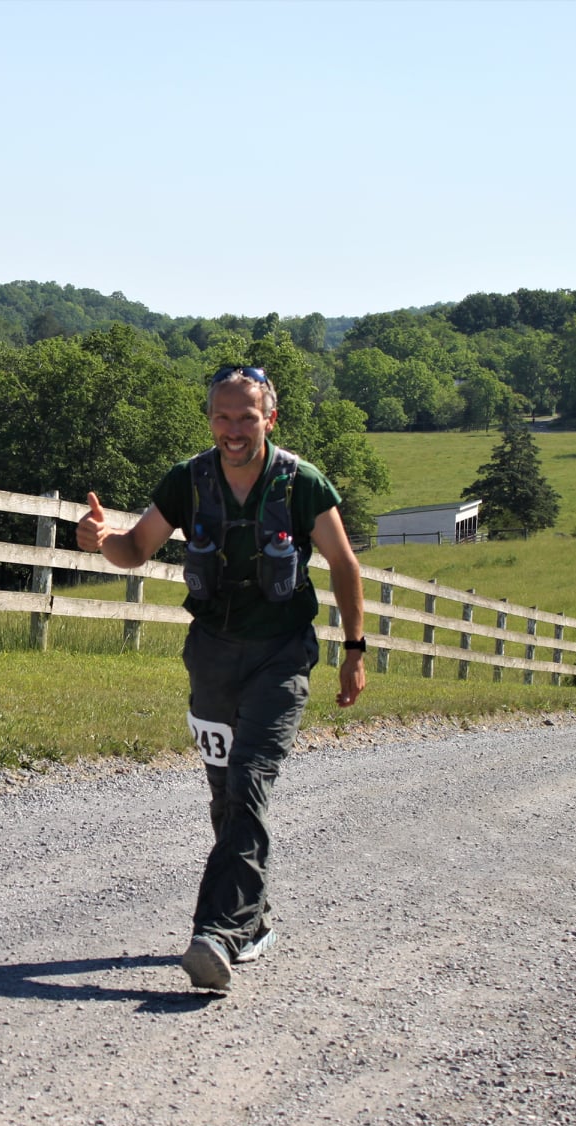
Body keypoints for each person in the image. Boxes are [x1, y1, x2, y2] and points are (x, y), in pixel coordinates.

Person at [76, 364, 367, 991]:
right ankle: (254, 919)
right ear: (210, 419)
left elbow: (344, 564)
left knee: (251, 781)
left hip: (280, 656)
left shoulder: (301, 484)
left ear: (271, 417)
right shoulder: (189, 480)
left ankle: (217, 933)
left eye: (247, 416)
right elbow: (136, 549)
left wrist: (354, 650)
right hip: (209, 653)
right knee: (224, 791)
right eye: (222, 416)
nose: (234, 430)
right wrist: (102, 540)